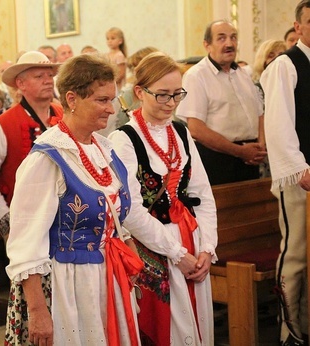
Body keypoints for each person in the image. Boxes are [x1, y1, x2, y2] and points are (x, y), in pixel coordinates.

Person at [6, 52, 147, 345]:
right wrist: (38, 311)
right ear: (71, 99)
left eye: (112, 99)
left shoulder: (104, 151)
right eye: (101, 100)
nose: (111, 109)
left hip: (108, 278)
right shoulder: (47, 159)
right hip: (68, 286)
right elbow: (25, 244)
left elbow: (118, 218)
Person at [109, 51, 217, 345]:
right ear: (140, 92)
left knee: (199, 326)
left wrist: (207, 247)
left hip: (191, 239)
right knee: (168, 330)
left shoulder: (181, 131)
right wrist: (177, 253)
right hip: (155, 247)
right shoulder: (124, 139)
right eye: (162, 95)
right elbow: (129, 210)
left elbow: (202, 193)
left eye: (177, 94)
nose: (171, 103)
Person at [0, 50, 62, 345]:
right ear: (21, 84)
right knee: (32, 303)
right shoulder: (4, 125)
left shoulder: (65, 117)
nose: (48, 80)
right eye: (40, 76)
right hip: (27, 231)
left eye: (50, 75)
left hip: (66, 229)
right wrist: (8, 225)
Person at [260, 1, 310, 344]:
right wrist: (299, 168)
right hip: (300, 180)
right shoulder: (285, 65)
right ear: (299, 26)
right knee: (295, 254)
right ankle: (288, 332)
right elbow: (277, 123)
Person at [176, 19, 267, 185]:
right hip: (217, 160)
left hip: (250, 158)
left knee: (252, 208)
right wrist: (240, 151)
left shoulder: (243, 74)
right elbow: (196, 129)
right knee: (223, 210)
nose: (229, 43)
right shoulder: (196, 76)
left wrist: (260, 146)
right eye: (221, 38)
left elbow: (260, 113)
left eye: (233, 38)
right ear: (207, 45)